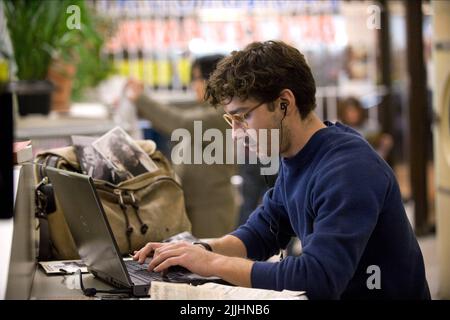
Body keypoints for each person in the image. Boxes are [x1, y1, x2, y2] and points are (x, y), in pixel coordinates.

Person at [133, 41, 430, 300]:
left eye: (244, 117)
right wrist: (194, 251)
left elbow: (318, 279)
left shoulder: (349, 169)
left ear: (284, 103)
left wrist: (210, 264)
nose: (236, 134)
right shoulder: (294, 158)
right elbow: (259, 234)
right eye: (231, 121)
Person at [127, 54, 238, 238]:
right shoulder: (204, 107)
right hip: (195, 201)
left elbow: (180, 122)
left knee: (209, 260)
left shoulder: (222, 113)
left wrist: (141, 99)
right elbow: (173, 110)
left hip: (211, 206)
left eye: (198, 79)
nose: (195, 85)